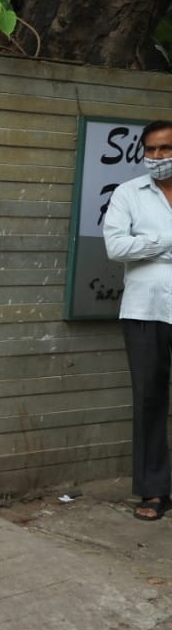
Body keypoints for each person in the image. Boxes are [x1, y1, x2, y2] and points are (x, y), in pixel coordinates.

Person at [103, 119, 172, 521]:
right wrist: (165, 243)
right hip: (144, 310)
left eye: (165, 149)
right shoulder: (129, 193)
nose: (158, 158)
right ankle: (153, 491)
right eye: (151, 150)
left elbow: (134, 245)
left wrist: (148, 249)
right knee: (148, 399)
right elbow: (116, 246)